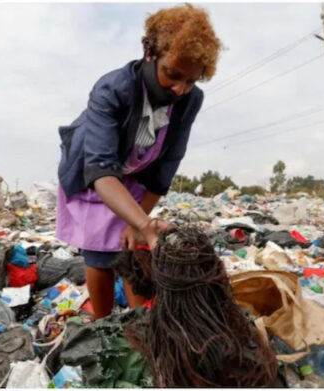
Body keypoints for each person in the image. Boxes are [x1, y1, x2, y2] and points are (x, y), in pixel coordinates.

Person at [56, 4, 221, 318]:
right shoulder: (112, 89)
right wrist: (143, 224)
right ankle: (103, 324)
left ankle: (140, 325)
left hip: (136, 172)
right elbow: (102, 168)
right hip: (94, 173)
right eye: (172, 75)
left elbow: (167, 164)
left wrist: (139, 224)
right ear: (151, 54)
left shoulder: (190, 99)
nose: (179, 88)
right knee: (100, 254)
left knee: (133, 251)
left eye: (191, 80)